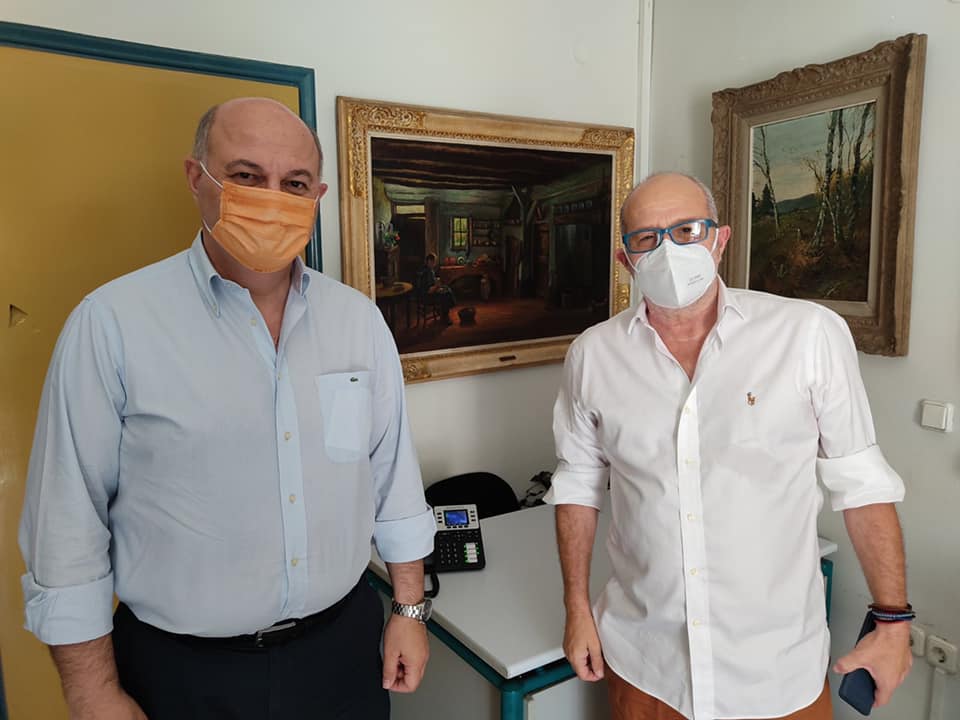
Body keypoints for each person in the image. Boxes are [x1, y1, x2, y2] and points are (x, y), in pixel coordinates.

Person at [19, 97, 436, 720]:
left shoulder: (358, 321)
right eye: (246, 176)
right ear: (197, 178)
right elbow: (66, 527)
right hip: (182, 672)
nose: (272, 198)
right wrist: (92, 692)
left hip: (344, 651)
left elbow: (391, 478)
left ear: (317, 196)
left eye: (294, 183)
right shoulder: (111, 325)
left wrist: (409, 608)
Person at [547, 172, 911, 720]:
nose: (669, 250)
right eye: (646, 238)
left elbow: (861, 485)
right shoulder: (593, 355)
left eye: (687, 230)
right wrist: (577, 607)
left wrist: (893, 622)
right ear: (626, 259)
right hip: (645, 662)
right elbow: (578, 484)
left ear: (720, 239)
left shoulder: (807, 334)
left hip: (774, 671)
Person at [414, 252, 456, 323]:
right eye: (434, 262)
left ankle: (441, 312)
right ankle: (445, 317)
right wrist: (437, 286)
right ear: (430, 261)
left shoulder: (425, 269)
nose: (435, 264)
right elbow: (429, 290)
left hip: (422, 295)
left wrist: (436, 282)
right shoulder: (427, 272)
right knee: (446, 294)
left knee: (446, 288)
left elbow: (430, 282)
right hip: (427, 297)